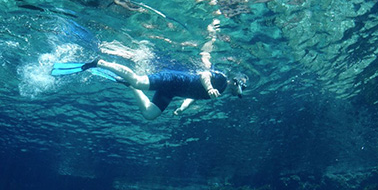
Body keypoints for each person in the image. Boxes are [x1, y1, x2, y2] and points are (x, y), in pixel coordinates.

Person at [52, 58, 246, 120]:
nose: (240, 93)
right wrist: (210, 87)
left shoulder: (220, 94)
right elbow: (204, 75)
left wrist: (181, 109)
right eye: (241, 89)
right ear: (237, 83)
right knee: (137, 80)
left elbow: (194, 96)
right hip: (172, 78)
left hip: (173, 91)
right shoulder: (221, 79)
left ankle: (129, 86)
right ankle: (100, 62)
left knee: (149, 115)